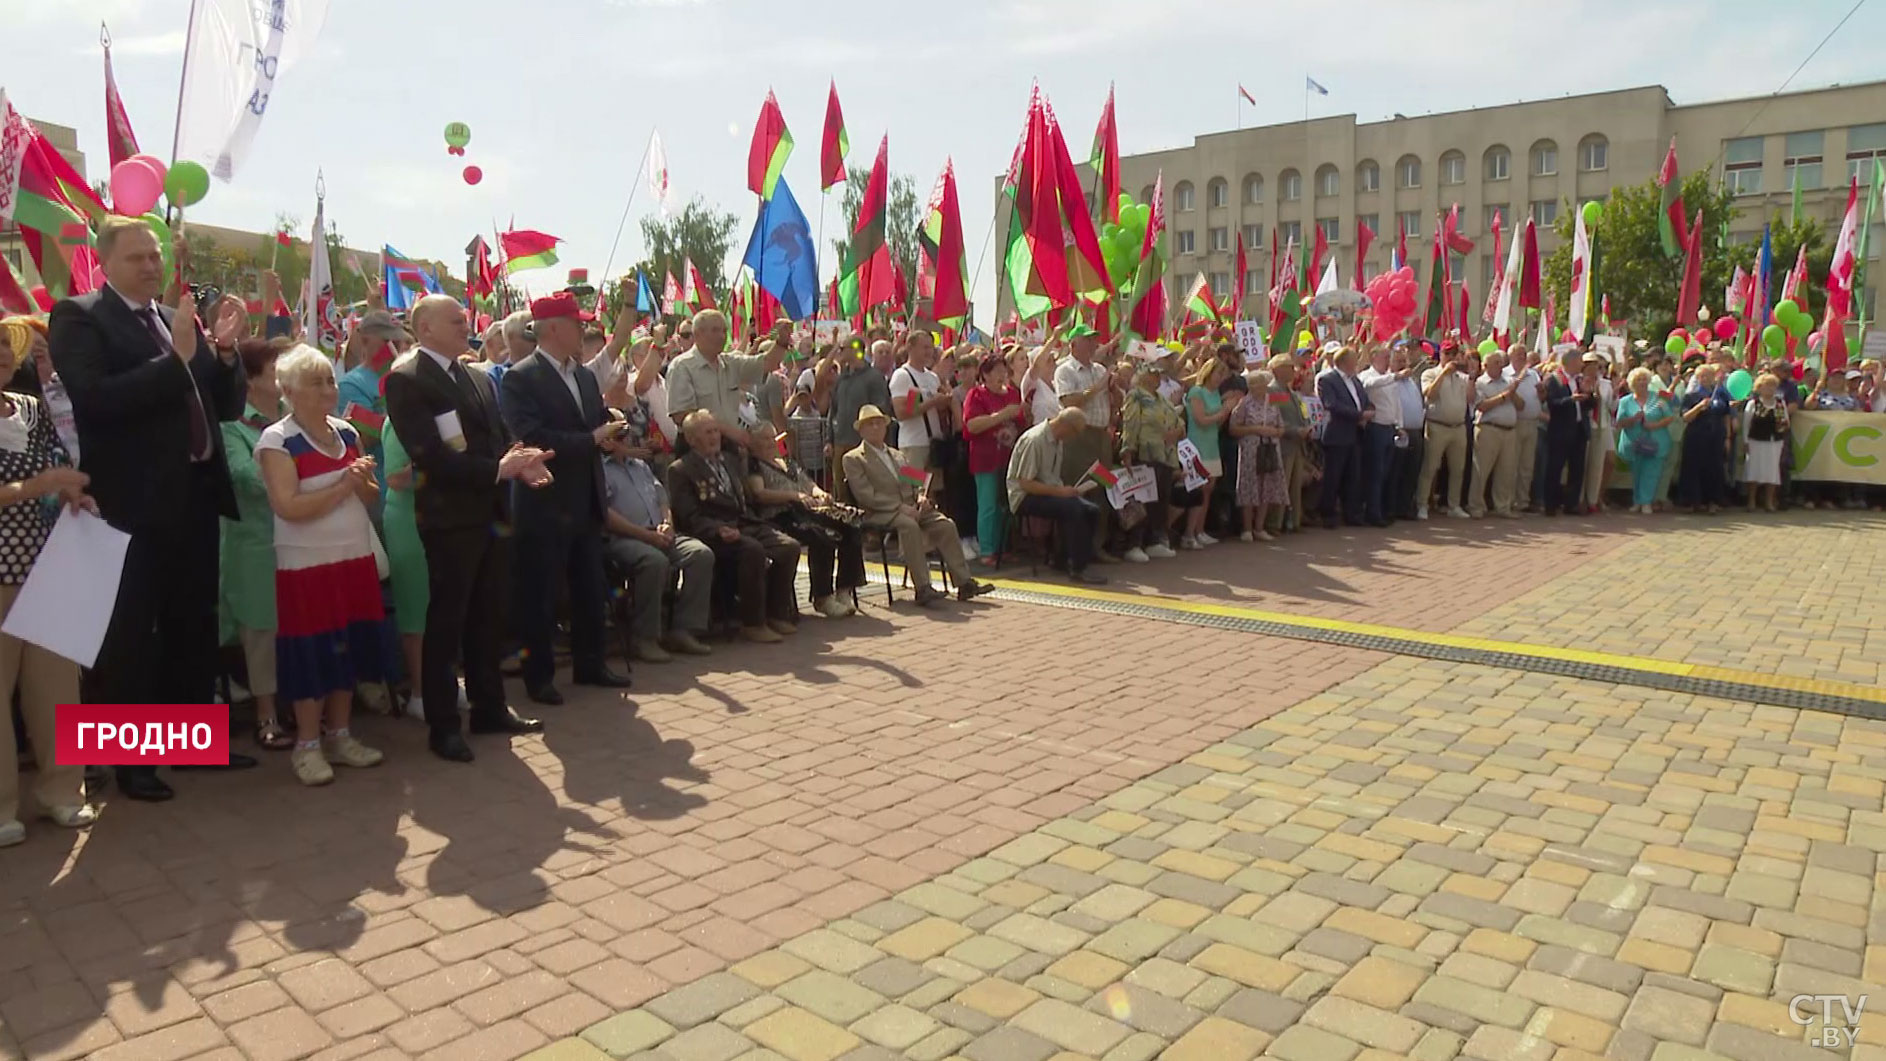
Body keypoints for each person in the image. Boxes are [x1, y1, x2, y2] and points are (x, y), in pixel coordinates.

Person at [49, 215, 259, 801]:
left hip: (193, 492)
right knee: (127, 631)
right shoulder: (81, 316)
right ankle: (127, 764)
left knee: (193, 620)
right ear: (106, 262)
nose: (150, 265)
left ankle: (191, 747)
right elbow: (94, 398)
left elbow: (223, 405)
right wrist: (175, 362)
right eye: (136, 256)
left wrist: (220, 353)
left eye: (155, 256)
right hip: (127, 498)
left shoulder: (174, 321)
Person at [383, 295, 552, 763]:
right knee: (447, 621)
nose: (466, 325)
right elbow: (429, 455)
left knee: (488, 614)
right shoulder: (407, 378)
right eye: (455, 320)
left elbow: (498, 436)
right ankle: (443, 725)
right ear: (425, 328)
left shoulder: (476, 376)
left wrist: (524, 461)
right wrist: (500, 469)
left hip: (491, 514)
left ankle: (490, 707)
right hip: (449, 518)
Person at [253, 347, 388, 786]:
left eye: (330, 380)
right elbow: (287, 506)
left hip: (353, 555)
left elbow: (367, 496)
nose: (328, 390)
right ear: (289, 391)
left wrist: (363, 480)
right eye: (316, 383)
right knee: (310, 652)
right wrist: (344, 483)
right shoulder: (277, 440)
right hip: (305, 565)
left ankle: (341, 735)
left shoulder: (348, 432)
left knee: (348, 644)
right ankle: (307, 745)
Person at [498, 292, 633, 705]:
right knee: (540, 595)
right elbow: (533, 438)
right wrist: (591, 439)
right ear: (553, 328)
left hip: (585, 498)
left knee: (590, 588)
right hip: (544, 502)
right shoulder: (519, 377)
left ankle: (590, 664)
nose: (585, 331)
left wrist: (611, 429)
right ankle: (539, 677)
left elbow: (591, 424)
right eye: (577, 324)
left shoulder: (586, 377)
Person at [0, 322, 96, 846]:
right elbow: (38, 479)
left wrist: (67, 496)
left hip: (48, 567)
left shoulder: (31, 409)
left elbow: (57, 469)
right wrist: (36, 486)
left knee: (57, 687)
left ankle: (64, 792)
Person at [668, 411, 801, 641]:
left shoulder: (729, 460)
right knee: (753, 550)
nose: (714, 437)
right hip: (713, 531)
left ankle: (777, 614)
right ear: (691, 439)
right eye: (707, 432)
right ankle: (752, 623)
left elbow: (746, 499)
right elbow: (689, 516)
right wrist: (718, 530)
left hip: (743, 522)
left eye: (716, 430)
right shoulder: (681, 470)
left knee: (788, 547)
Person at [842, 406, 992, 606]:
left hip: (910, 506)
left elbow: (917, 481)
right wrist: (898, 507)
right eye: (870, 424)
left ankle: (964, 582)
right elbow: (865, 494)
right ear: (861, 430)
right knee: (909, 526)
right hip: (879, 512)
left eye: (879, 422)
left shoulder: (897, 455)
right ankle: (922, 587)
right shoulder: (853, 458)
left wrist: (921, 497)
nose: (876, 427)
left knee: (945, 524)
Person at [221, 338, 292, 750]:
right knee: (261, 630)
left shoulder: (298, 417)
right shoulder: (230, 425)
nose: (283, 375)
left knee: (297, 626)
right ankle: (266, 716)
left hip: (300, 540)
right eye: (274, 368)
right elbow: (247, 479)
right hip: (255, 543)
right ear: (248, 380)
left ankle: (297, 706)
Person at [602, 417, 716, 661]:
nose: (629, 439)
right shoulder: (600, 469)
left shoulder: (640, 466)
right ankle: (644, 638)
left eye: (629, 433)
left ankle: (683, 630)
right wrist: (645, 535)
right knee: (654, 562)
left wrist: (668, 525)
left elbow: (662, 498)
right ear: (607, 440)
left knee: (700, 554)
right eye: (621, 435)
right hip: (625, 538)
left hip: (659, 532)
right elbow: (605, 516)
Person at [750, 431, 865, 617]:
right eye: (764, 438)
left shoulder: (787, 462)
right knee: (823, 535)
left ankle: (844, 589)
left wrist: (819, 493)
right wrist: (795, 496)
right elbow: (759, 494)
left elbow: (807, 483)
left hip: (807, 510)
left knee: (852, 525)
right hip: (783, 513)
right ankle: (823, 597)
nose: (771, 442)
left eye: (772, 437)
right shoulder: (753, 464)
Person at [667, 310, 786, 457]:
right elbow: (681, 415)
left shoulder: (731, 363)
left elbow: (767, 364)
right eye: (715, 330)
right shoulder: (682, 366)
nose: (722, 336)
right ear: (697, 334)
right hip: (696, 451)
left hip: (730, 450)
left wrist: (782, 341)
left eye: (724, 331)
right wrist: (730, 432)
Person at [1008, 408, 1106, 584]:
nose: (1074, 437)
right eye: (1075, 432)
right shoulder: (1035, 440)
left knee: (1091, 510)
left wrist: (1068, 491)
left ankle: (1064, 559)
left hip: (1048, 491)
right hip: (1024, 496)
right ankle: (1077, 568)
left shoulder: (1057, 441)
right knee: (1073, 510)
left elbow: (1051, 478)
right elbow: (1026, 483)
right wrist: (1060, 492)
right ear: (1065, 426)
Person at [962, 352, 1025, 563]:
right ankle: (987, 550)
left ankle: (1001, 547)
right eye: (996, 371)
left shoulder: (1012, 394)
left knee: (1003, 504)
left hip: (1008, 458)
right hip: (985, 457)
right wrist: (1001, 415)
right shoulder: (976, 395)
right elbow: (971, 425)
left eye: (1003, 370)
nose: (1002, 374)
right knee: (988, 504)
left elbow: (1021, 421)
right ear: (985, 375)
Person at [1116, 363, 1182, 561]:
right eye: (1153, 374)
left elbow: (1179, 421)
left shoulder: (1162, 399)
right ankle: (1134, 544)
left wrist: (1177, 431)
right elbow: (1130, 423)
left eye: (1158, 374)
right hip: (1145, 453)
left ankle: (1154, 541)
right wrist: (1127, 450)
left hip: (1165, 455)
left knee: (1160, 500)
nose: (1157, 378)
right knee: (1141, 498)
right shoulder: (1136, 395)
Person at [1315, 346, 1371, 529]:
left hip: (1355, 434)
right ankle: (1328, 514)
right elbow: (1331, 404)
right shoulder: (1327, 379)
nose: (1356, 362)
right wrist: (1359, 415)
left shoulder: (1355, 380)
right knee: (1333, 476)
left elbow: (1363, 399)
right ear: (1344, 361)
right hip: (1337, 434)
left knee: (1353, 476)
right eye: (1354, 359)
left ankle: (1352, 513)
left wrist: (1369, 410)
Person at [1414, 342, 1471, 519]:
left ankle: (1454, 505)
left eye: (1454, 354)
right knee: (1430, 468)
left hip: (1458, 427)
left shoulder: (1462, 377)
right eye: (1448, 354)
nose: (1451, 358)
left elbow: (1471, 398)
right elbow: (1429, 395)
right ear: (1441, 355)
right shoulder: (1430, 373)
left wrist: (1471, 375)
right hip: (1437, 425)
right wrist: (1444, 373)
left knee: (1457, 469)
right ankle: (1422, 504)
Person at [1229, 369, 1287, 541]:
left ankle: (1259, 527)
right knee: (1249, 487)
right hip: (1250, 449)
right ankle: (1247, 528)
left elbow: (1281, 426)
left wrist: (1275, 432)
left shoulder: (1273, 402)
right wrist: (1255, 429)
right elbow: (1233, 429)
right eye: (1255, 385)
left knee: (1267, 486)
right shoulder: (1243, 404)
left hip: (1270, 447)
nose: (1260, 388)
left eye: (1262, 384)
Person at [1467, 350, 1523, 519]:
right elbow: (1481, 406)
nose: (1501, 366)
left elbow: (1521, 406)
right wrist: (1505, 396)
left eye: (1501, 362)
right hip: (1488, 430)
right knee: (1481, 471)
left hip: (1509, 431)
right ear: (1486, 366)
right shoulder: (1481, 383)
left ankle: (1503, 506)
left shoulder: (1509, 381)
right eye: (1496, 363)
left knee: (1506, 471)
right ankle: (1475, 505)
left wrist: (1513, 394)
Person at [1182, 360, 1232, 546]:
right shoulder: (1197, 392)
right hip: (1198, 445)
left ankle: (1200, 530)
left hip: (1212, 444)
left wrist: (1225, 413)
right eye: (1218, 373)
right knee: (1198, 489)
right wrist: (1225, 410)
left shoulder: (1215, 393)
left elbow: (1216, 424)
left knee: (1209, 490)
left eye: (1223, 374)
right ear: (1208, 372)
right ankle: (1189, 533)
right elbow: (1201, 420)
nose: (1220, 378)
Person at [1357, 345, 1409, 527]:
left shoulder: (1389, 379)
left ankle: (1381, 509)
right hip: (1375, 428)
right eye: (1384, 357)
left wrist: (1399, 425)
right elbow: (1370, 385)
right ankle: (1373, 512)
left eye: (1388, 357)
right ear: (1373, 358)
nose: (1387, 360)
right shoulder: (1368, 376)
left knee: (1386, 472)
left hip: (1389, 428)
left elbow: (1396, 404)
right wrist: (1395, 376)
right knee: (1375, 473)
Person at [1616, 366, 1677, 515]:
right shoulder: (1625, 401)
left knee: (1651, 473)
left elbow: (1669, 417)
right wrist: (1632, 419)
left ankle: (1646, 502)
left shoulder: (1658, 397)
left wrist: (1654, 425)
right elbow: (1619, 422)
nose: (1642, 382)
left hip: (1656, 443)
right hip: (1634, 443)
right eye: (1638, 380)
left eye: (1644, 379)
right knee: (1637, 472)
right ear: (1632, 383)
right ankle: (1638, 501)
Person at [1676, 363, 1733, 514]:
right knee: (1694, 468)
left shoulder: (1721, 394)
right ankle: (1693, 501)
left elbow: (1726, 415)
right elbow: (1686, 417)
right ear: (1697, 378)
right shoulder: (1691, 396)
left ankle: (1712, 501)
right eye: (1702, 376)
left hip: (1716, 436)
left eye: (1708, 375)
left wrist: (1728, 436)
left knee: (1714, 468)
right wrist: (1699, 407)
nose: (1705, 378)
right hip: (1696, 437)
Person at [889, 332, 950, 472]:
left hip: (934, 445)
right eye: (925, 347)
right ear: (910, 347)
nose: (929, 352)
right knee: (914, 488)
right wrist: (933, 401)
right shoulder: (902, 375)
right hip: (913, 446)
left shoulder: (932, 377)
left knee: (933, 491)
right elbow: (902, 413)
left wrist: (944, 401)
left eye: (931, 348)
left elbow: (937, 410)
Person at [1541, 356, 1591, 517]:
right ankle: (1551, 504)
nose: (1582, 365)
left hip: (1578, 430)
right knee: (1555, 468)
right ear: (1570, 362)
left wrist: (1589, 394)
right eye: (1579, 362)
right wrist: (1570, 399)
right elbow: (1552, 404)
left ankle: (1572, 504)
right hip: (1560, 431)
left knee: (1577, 469)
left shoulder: (1579, 380)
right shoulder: (1554, 379)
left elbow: (1590, 406)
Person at [1505, 345, 1545, 512]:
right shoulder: (1506, 374)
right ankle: (1510, 500)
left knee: (1527, 466)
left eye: (1524, 354)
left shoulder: (1534, 374)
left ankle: (1523, 500)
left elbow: (1540, 397)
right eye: (1519, 354)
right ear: (1511, 356)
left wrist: (1542, 392)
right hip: (1516, 423)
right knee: (1511, 464)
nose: (1522, 357)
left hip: (1532, 423)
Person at [1579, 353, 1618, 513]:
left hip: (1601, 426)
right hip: (1585, 425)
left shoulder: (1605, 384)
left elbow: (1612, 406)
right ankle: (1580, 499)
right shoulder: (1580, 380)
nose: (1594, 368)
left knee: (1597, 465)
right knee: (1583, 464)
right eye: (1590, 364)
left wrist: (1615, 394)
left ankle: (1593, 500)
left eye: (1597, 365)